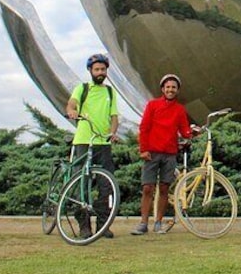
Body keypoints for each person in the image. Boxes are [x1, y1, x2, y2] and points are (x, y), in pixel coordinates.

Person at [131, 73, 194, 235]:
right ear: (162, 89)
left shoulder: (179, 110)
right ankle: (143, 222)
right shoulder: (152, 105)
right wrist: (143, 149)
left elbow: (184, 129)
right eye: (168, 87)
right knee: (147, 188)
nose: (170, 90)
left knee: (165, 188)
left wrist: (192, 132)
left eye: (173, 87)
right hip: (152, 152)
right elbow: (144, 127)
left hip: (169, 153)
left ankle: (158, 222)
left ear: (177, 90)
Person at [65, 53, 120, 239]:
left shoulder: (110, 93)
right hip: (84, 141)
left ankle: (103, 225)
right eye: (96, 69)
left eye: (103, 69)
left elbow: (114, 117)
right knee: (83, 183)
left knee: (106, 185)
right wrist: (72, 111)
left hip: (103, 143)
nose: (100, 72)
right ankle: (84, 225)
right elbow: (72, 104)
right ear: (90, 70)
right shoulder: (82, 88)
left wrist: (112, 132)